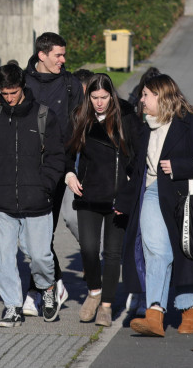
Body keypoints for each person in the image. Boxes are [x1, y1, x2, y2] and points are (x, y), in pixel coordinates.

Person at [115, 74, 193, 337]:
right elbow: (137, 168)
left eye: (146, 95)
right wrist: (123, 201)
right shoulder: (144, 126)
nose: (141, 100)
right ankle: (154, 314)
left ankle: (189, 308)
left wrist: (181, 166)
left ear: (161, 96)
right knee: (156, 249)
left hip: (186, 196)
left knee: (186, 250)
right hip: (152, 191)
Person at [0, 63, 66, 327]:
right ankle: (12, 305)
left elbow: (56, 156)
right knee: (4, 256)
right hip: (2, 200)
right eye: (4, 93)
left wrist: (45, 184)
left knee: (39, 255)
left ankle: (47, 289)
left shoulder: (44, 116)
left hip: (38, 200)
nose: (9, 98)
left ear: (22, 87)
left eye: (13, 92)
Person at [64, 73, 136, 327]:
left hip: (117, 195)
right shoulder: (79, 116)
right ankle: (93, 291)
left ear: (112, 95)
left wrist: (129, 185)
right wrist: (69, 174)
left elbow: (136, 155)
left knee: (112, 253)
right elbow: (66, 151)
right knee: (88, 248)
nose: (99, 102)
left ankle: (106, 305)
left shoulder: (126, 116)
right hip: (88, 193)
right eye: (94, 97)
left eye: (104, 97)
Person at [22, 30, 84, 313]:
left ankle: (36, 292)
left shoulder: (71, 85)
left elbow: (76, 132)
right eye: (58, 55)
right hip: (24, 168)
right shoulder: (22, 82)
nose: (63, 59)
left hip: (57, 168)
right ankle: (54, 281)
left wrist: (69, 169)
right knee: (26, 234)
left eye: (64, 54)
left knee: (43, 232)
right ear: (41, 55)